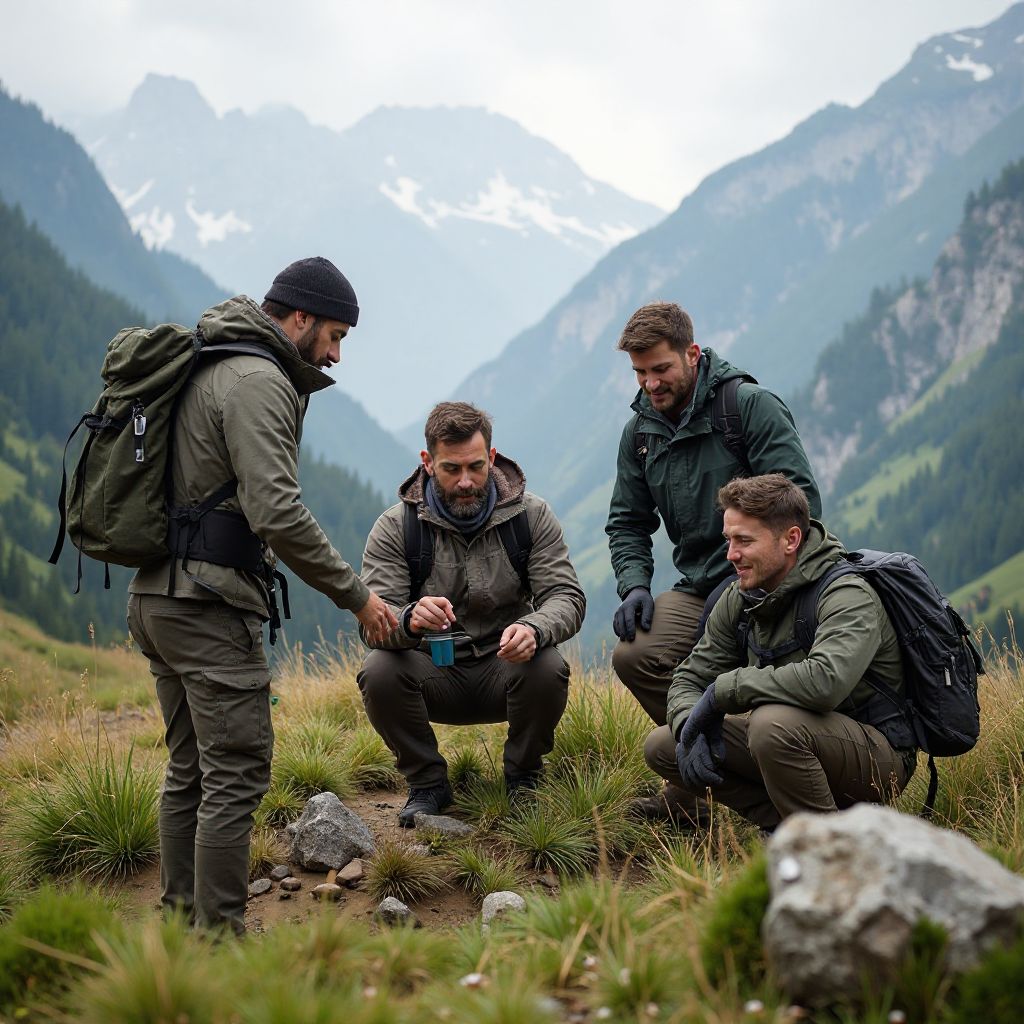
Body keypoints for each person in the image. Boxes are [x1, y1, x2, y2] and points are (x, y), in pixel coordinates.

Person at [127, 257, 397, 934]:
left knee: (191, 768)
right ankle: (218, 939)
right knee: (236, 773)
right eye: (334, 335)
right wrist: (357, 596)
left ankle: (181, 924)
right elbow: (277, 511)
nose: (335, 354)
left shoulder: (214, 360)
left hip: (158, 596)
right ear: (298, 317)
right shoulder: (258, 379)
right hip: (207, 604)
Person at [605, 301, 821, 821]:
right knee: (636, 656)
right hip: (700, 582)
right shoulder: (640, 434)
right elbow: (627, 521)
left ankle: (750, 773)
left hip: (771, 583)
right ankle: (699, 773)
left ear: (692, 354)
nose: (651, 384)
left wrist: (743, 584)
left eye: (661, 369)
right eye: (640, 372)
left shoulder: (747, 407)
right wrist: (635, 584)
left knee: (742, 661)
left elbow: (801, 506)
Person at [643, 473, 917, 831]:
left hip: (876, 757)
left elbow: (825, 682)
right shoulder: (741, 596)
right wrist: (687, 722)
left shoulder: (846, 594)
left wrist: (724, 692)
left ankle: (829, 848)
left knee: (771, 724)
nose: (731, 555)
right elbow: (691, 676)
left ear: (791, 539)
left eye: (744, 541)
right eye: (728, 540)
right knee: (663, 745)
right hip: (790, 741)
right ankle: (785, 828)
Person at [357, 401, 586, 826]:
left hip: (508, 669)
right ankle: (427, 784)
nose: (466, 482)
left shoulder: (531, 517)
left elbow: (566, 597)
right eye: (451, 469)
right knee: (378, 671)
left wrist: (533, 628)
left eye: (476, 468)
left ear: (492, 458)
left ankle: (524, 779)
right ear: (427, 463)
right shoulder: (396, 527)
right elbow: (373, 623)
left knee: (548, 665)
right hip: (433, 672)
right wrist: (407, 619)